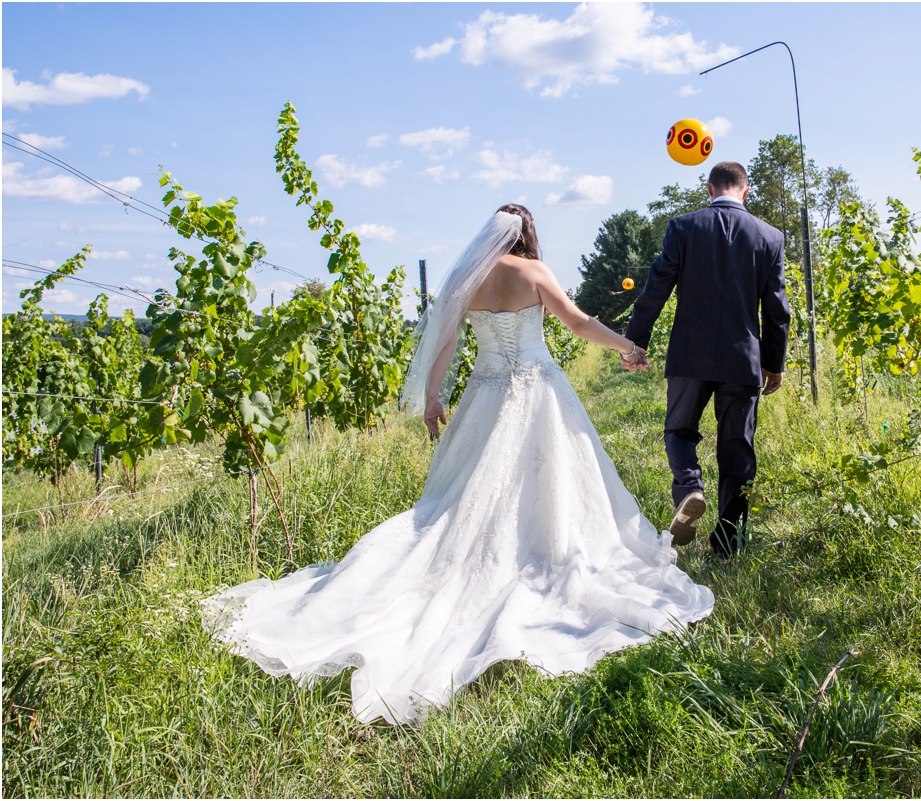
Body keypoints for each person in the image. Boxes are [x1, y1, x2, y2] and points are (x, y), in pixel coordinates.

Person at [203, 205, 714, 725]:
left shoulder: (469, 279)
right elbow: (578, 323)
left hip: (484, 396)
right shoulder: (535, 273)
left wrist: (432, 399)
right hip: (538, 389)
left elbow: (445, 342)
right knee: (548, 486)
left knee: (463, 499)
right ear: (528, 234)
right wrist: (627, 345)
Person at [623, 162, 790, 559]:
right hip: (743, 358)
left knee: (679, 430)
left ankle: (689, 487)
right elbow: (777, 309)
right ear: (745, 192)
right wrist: (774, 362)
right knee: (738, 447)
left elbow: (656, 286)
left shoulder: (683, 226)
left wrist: (635, 342)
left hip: (689, 355)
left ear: (709, 188)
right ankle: (728, 542)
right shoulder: (771, 236)